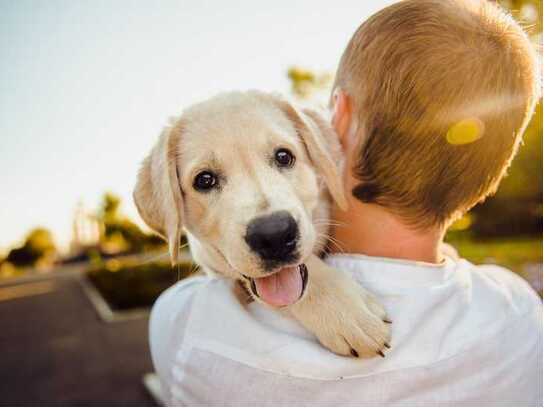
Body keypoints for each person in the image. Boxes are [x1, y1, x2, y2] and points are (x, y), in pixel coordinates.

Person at [149, 0, 543, 405]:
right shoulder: (521, 317)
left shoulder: (188, 329)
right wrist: (311, 283)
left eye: (283, 158)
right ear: (491, 170)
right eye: (207, 180)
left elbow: (208, 270)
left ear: (336, 117)